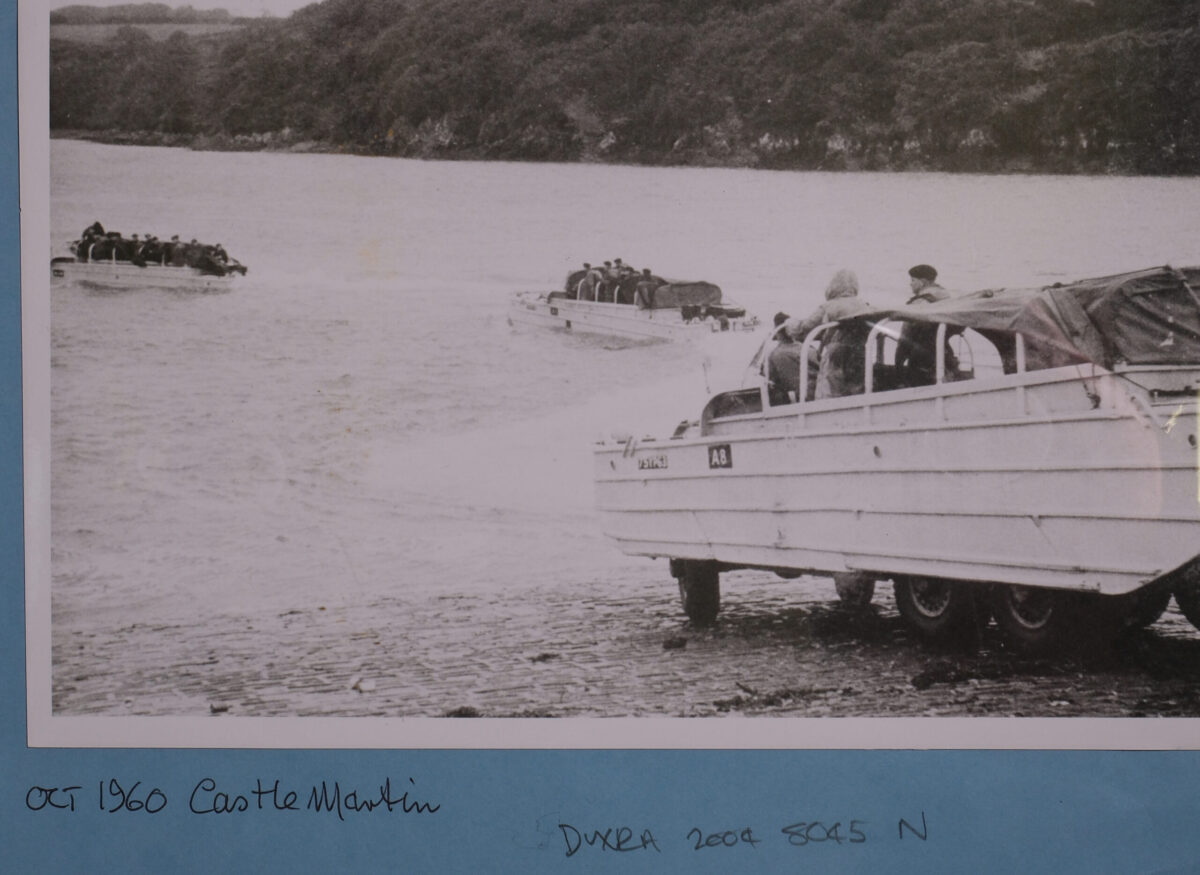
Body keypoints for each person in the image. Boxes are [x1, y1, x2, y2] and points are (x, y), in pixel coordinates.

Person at [782, 269, 871, 399]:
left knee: (830, 390)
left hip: (836, 354)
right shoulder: (864, 305)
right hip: (859, 351)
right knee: (857, 389)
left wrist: (790, 323)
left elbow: (805, 327)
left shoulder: (829, 306)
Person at [896, 263, 958, 386]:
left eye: (913, 280)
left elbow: (906, 333)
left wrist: (899, 362)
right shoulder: (947, 298)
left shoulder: (920, 302)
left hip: (922, 359)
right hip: (945, 354)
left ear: (922, 282)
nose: (910, 284)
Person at [766, 312, 805, 404]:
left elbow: (770, 380)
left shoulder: (775, 355)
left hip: (799, 398)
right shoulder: (807, 348)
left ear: (776, 329)